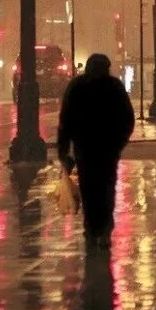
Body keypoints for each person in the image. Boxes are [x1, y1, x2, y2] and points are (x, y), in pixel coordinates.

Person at [57, 53, 135, 251]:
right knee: (107, 189)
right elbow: (128, 118)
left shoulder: (77, 86)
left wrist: (64, 149)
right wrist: (119, 142)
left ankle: (92, 229)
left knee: (89, 190)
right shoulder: (114, 87)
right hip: (108, 149)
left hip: (85, 148)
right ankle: (105, 229)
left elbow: (66, 120)